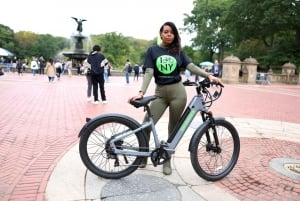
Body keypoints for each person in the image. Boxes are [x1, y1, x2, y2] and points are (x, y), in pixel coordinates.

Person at [129, 21, 221, 175]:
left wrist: (209, 75)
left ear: (175, 35)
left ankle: (167, 161)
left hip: (178, 93)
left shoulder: (178, 51)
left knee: (173, 129)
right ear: (161, 34)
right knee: (146, 124)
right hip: (160, 94)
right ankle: (143, 157)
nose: (168, 34)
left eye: (171, 32)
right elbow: (149, 72)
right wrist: (141, 92)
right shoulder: (152, 50)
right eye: (165, 32)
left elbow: (191, 67)